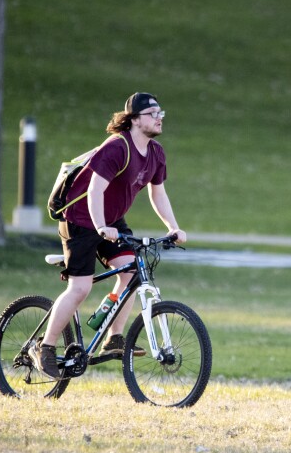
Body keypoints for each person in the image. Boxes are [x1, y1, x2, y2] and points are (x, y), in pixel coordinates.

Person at [30, 92, 187, 380]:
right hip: (80, 218)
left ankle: (114, 338)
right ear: (135, 119)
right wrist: (101, 226)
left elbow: (158, 192)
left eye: (160, 113)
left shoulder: (156, 153)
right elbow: (94, 190)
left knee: (130, 274)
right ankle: (45, 348)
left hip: (111, 220)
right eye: (153, 113)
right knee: (80, 288)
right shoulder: (117, 147)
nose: (159, 117)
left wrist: (173, 228)